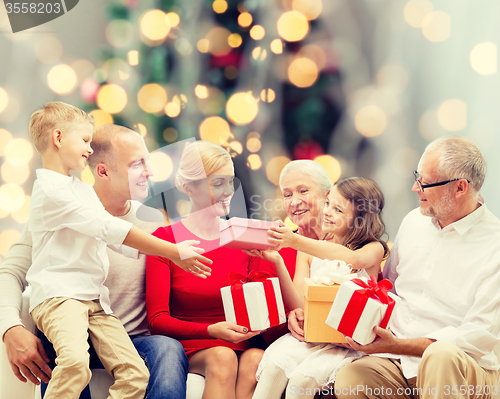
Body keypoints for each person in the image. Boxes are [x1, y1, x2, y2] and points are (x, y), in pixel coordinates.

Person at [0, 101, 210, 399]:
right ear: (103, 171)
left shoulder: (151, 220)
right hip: (69, 327)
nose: (149, 173)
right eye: (137, 163)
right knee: (71, 359)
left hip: (121, 332)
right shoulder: (59, 204)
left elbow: (173, 267)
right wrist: (11, 328)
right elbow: (11, 271)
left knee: (165, 349)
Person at [330, 136, 500, 399]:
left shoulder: (495, 244)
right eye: (416, 176)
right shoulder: (413, 222)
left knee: (440, 355)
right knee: (352, 378)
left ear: (460, 188)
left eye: (424, 182)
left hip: (465, 368)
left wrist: (402, 345)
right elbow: (388, 289)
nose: (414, 187)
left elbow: (479, 336)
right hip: (399, 360)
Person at [146, 140, 271, 399]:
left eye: (231, 182)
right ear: (188, 187)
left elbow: (263, 303)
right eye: (217, 183)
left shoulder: (247, 236)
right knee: (222, 357)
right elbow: (157, 320)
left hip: (244, 343)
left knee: (257, 360)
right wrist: (210, 331)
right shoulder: (164, 240)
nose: (228, 191)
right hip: (194, 344)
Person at [247, 177, 389, 399]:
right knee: (274, 367)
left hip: (346, 344)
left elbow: (352, 260)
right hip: (311, 338)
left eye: (338, 209)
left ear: (359, 219)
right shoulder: (309, 248)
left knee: (302, 381)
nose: (328, 212)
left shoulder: (372, 249)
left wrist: (294, 241)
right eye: (328, 203)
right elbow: (299, 303)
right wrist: (278, 262)